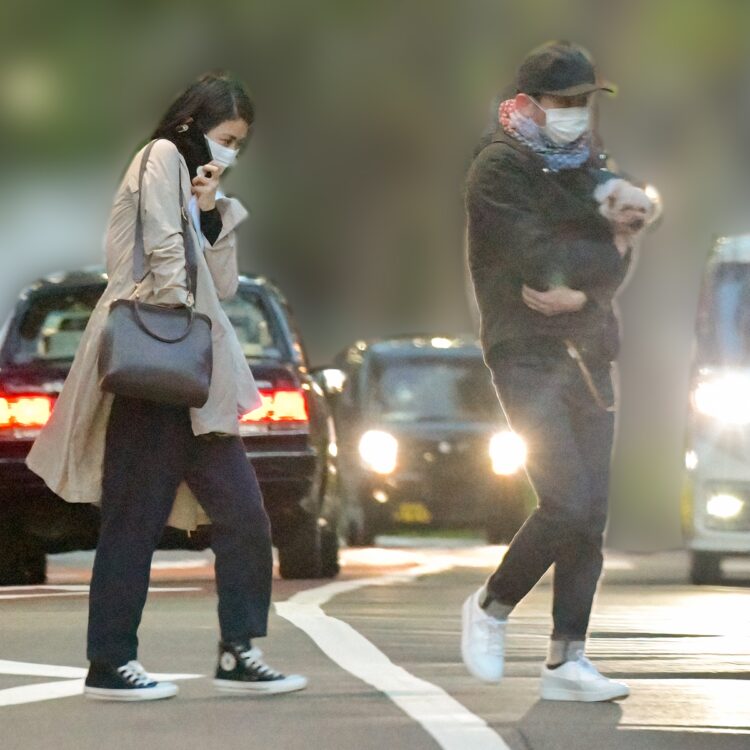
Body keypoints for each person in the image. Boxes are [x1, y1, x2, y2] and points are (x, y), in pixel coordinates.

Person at [26, 72, 307, 701]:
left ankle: (239, 650)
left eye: (239, 144)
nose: (231, 151)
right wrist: (178, 316)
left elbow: (226, 286)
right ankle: (110, 663)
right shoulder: (157, 158)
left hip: (192, 385)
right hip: (156, 372)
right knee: (133, 522)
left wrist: (210, 211)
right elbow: (159, 246)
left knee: (244, 518)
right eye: (226, 137)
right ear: (192, 126)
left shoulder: (199, 189)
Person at [462, 41, 649, 702]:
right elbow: (537, 259)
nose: (576, 115)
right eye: (565, 102)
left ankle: (568, 658)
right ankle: (491, 604)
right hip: (527, 353)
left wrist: (594, 273)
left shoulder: (590, 164)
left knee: (591, 513)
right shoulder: (499, 167)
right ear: (529, 103)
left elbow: (617, 253)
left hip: (591, 351)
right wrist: (602, 241)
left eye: (584, 103)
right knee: (564, 497)